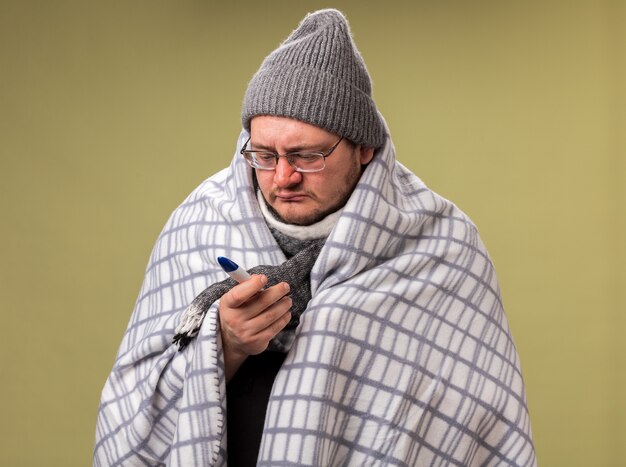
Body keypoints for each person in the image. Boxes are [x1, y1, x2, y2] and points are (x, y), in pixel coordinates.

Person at [94, 8, 536, 467]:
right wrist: (223, 342)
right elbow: (132, 407)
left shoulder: (441, 243)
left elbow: (478, 427)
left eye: (306, 156)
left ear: (364, 148)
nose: (283, 177)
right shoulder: (200, 222)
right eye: (264, 155)